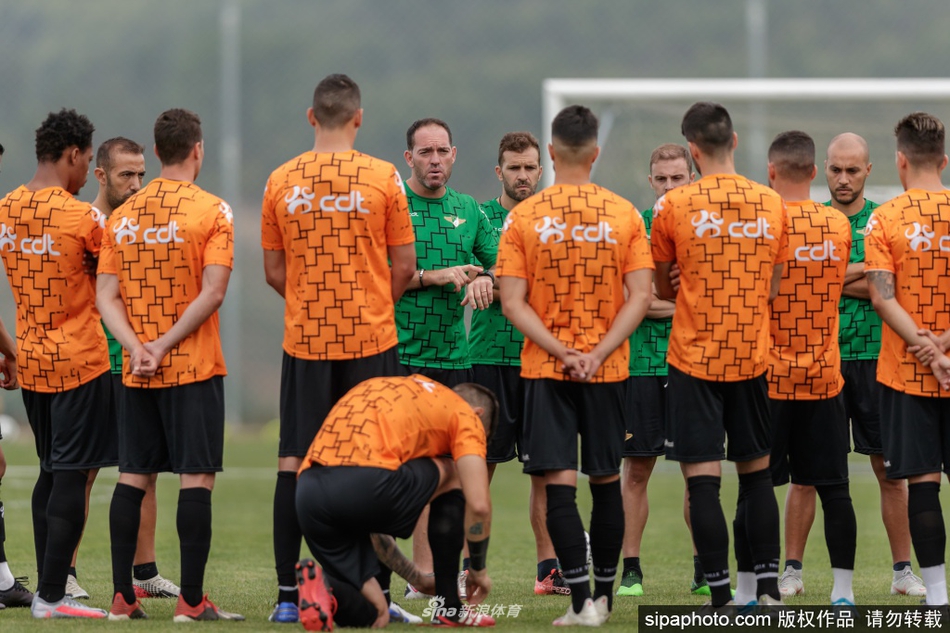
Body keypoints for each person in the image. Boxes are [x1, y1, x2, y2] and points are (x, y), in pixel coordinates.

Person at [261, 74, 416, 624]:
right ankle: (378, 595)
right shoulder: (383, 176)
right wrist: (374, 302)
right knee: (372, 463)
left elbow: (273, 270)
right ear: (359, 117)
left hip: (305, 339)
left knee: (294, 462)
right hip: (372, 337)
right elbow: (404, 266)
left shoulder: (281, 179)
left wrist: (309, 301)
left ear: (311, 117)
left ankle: (286, 596)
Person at [498, 104, 654, 625]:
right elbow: (640, 296)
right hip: (607, 372)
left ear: (549, 152)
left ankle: (581, 601)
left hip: (548, 370)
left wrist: (562, 351)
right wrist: (601, 350)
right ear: (595, 152)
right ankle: (605, 599)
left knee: (558, 485)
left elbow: (512, 301)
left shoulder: (523, 217)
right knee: (606, 480)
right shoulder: (624, 213)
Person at [97, 108, 242, 621]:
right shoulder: (214, 210)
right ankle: (192, 602)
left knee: (133, 474)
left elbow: (106, 297)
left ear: (156, 153)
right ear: (197, 149)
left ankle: (121, 598)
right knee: (195, 478)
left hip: (135, 370)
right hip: (193, 366)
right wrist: (162, 345)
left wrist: (137, 347)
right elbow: (214, 291)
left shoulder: (123, 216)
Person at [650, 101, 786, 608]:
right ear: (733, 142)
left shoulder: (672, 207)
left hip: (693, 358)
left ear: (692, 151)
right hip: (751, 354)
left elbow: (663, 286)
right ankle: (770, 592)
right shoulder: (770, 202)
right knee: (757, 476)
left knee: (703, 482)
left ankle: (722, 598)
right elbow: (773, 286)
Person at [778, 132, 926, 598]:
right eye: (836, 170)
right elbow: (873, 280)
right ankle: (792, 571)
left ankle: (903, 571)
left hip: (874, 360)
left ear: (869, 171)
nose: (843, 179)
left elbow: (893, 289)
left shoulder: (883, 221)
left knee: (890, 470)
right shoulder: (807, 219)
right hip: (817, 360)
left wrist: (823, 275)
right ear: (823, 168)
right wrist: (863, 272)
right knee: (804, 475)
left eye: (852, 170)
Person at [0, 109, 113, 619]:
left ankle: (50, 591)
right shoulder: (84, 218)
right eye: (88, 160)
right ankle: (50, 596)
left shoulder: (5, 209)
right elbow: (116, 283)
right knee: (72, 474)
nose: (89, 170)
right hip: (81, 362)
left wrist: (9, 352)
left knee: (50, 471)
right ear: (73, 153)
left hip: (32, 361)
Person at [62, 137, 179, 602]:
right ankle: (66, 571)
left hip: (136, 359)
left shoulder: (141, 225)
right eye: (126, 175)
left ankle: (144, 571)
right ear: (101, 176)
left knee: (142, 467)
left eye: (141, 175)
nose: (136, 184)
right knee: (84, 469)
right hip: (92, 360)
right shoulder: (85, 223)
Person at [294, 375, 497, 629]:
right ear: (477, 414)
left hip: (309, 492)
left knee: (376, 612)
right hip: (365, 483)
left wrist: (418, 579)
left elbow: (375, 524)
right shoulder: (464, 414)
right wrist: (477, 569)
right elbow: (479, 505)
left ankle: (327, 592)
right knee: (456, 474)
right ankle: (450, 607)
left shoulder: (406, 395)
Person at [397, 118, 498, 588]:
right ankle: (407, 576)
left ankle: (439, 577)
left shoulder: (470, 210)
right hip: (400, 356)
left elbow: (500, 262)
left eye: (442, 151)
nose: (434, 160)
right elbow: (376, 275)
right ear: (409, 158)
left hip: (455, 359)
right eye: (425, 152)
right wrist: (431, 276)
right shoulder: (393, 205)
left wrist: (486, 278)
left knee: (448, 475)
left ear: (454, 155)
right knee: (404, 472)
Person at [468, 131, 567, 597]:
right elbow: (475, 268)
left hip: (538, 361)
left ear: (541, 170)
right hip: (487, 358)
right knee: (475, 469)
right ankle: (468, 568)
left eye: (530, 167)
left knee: (545, 470)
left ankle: (548, 570)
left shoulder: (553, 220)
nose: (523, 175)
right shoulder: (480, 218)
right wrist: (481, 275)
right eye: (514, 167)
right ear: (499, 171)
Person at [765, 130, 857, 607]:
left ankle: (760, 589)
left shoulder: (764, 223)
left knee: (758, 486)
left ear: (772, 171)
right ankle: (844, 593)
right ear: (816, 171)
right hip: (824, 377)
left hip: (771, 377)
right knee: (835, 489)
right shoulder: (837, 226)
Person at [618, 143, 712, 598]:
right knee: (636, 470)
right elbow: (627, 300)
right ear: (650, 180)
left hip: (693, 363)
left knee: (698, 471)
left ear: (691, 179)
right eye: (662, 179)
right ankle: (631, 569)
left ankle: (703, 567)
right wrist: (679, 303)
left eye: (679, 178)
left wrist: (658, 302)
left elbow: (715, 296)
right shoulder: (632, 225)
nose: (670, 186)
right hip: (639, 365)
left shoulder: (709, 227)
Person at [865, 111, 950, 606]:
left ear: (900, 160)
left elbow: (881, 295)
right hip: (936, 361)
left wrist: (927, 349)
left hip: (906, 372)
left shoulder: (886, 218)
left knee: (922, 482)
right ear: (943, 160)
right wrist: (944, 344)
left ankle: (937, 596)